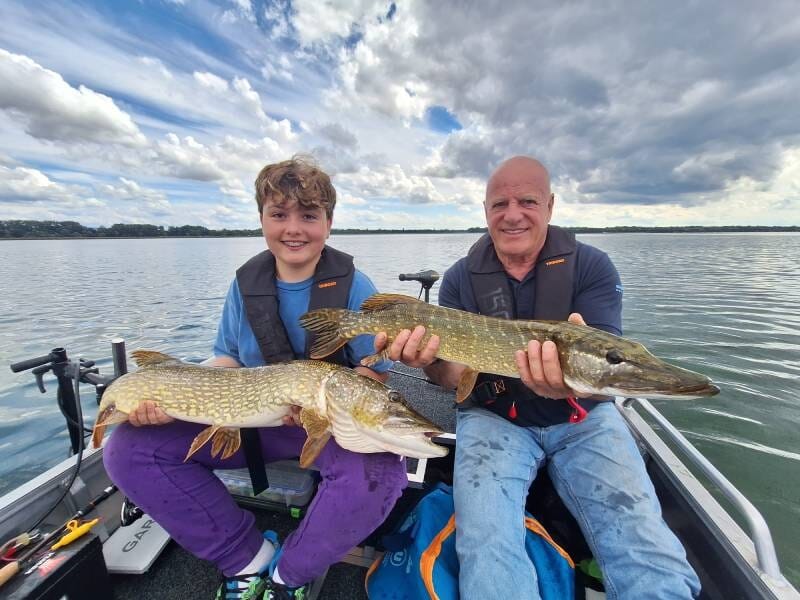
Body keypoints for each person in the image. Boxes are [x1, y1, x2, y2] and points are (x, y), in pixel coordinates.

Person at [376, 156, 701, 599]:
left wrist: (571, 378)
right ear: (486, 211)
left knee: (644, 543)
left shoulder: (591, 266)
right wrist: (424, 361)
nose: (513, 215)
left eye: (527, 201)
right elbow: (453, 378)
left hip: (585, 418)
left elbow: (607, 354)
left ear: (550, 205)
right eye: (500, 204)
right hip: (493, 418)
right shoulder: (460, 279)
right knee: (487, 543)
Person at [104, 156, 407, 600]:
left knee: (382, 472)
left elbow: (372, 371)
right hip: (250, 416)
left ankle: (290, 573)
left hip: (329, 424)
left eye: (309, 215)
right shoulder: (245, 284)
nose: (293, 229)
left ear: (329, 223)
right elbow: (227, 359)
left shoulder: (354, 286)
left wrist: (327, 407)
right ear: (262, 219)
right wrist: (173, 398)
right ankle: (245, 559)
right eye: (279, 214)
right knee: (127, 450)